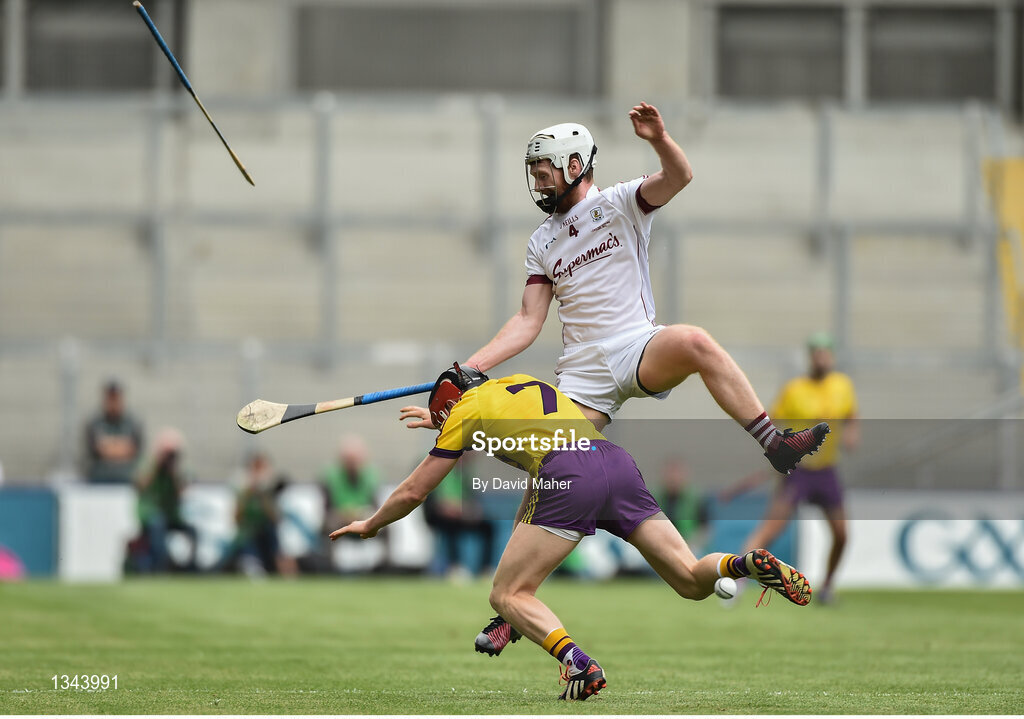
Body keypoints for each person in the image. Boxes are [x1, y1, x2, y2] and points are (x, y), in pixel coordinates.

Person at [400, 103, 829, 649]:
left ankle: (775, 443)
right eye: (532, 172)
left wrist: (660, 138)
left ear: (576, 163)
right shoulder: (542, 241)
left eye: (544, 170)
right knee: (552, 465)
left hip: (636, 345)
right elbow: (528, 321)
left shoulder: (622, 202)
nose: (536, 180)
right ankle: (515, 603)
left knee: (696, 341)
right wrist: (470, 368)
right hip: (581, 377)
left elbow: (680, 177)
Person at [333, 364, 816, 701]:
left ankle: (577, 662)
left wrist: (372, 524)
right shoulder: (520, 384)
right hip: (614, 463)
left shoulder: (464, 412)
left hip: (569, 474)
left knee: (506, 594)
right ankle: (744, 563)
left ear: (449, 399)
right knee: (691, 580)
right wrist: (447, 427)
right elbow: (527, 475)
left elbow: (416, 491)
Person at [723, 332, 859, 603]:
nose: (821, 358)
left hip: (827, 470)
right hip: (798, 472)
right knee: (772, 529)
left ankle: (828, 588)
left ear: (831, 357)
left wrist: (852, 432)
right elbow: (772, 422)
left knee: (842, 534)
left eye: (826, 352)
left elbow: (852, 415)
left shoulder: (842, 385)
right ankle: (738, 578)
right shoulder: (794, 389)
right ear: (810, 357)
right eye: (816, 353)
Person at [132, 427, 198, 572]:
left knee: (192, 531)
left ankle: (189, 568)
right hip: (149, 514)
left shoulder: (177, 470)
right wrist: (157, 465)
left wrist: (173, 472)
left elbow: (180, 494)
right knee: (158, 524)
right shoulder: (148, 465)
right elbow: (140, 486)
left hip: (170, 515)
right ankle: (160, 566)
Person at [83, 379, 144, 484]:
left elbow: (134, 450)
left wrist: (109, 446)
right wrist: (121, 448)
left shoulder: (134, 423)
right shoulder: (94, 422)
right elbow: (98, 450)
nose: (113, 402)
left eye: (116, 397)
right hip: (99, 481)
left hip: (128, 480)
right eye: (110, 397)